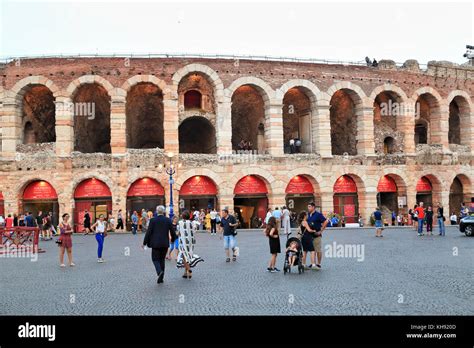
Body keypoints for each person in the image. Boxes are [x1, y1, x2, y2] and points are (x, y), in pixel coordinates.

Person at [143, 205, 177, 284]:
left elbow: (149, 232)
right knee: (162, 260)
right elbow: (173, 232)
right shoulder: (168, 220)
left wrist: (144, 242)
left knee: (155, 259)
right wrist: (172, 240)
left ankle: (159, 271)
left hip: (155, 243)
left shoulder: (153, 220)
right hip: (164, 243)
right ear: (164, 212)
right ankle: (161, 278)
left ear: (156, 211)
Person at [177, 211, 204, 279]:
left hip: (183, 242)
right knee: (188, 255)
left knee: (184, 256)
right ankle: (185, 273)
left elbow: (179, 232)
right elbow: (194, 230)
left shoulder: (180, 223)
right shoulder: (192, 223)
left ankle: (189, 269)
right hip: (190, 241)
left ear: (182, 216)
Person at [307, 202, 328, 270]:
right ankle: (313, 263)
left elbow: (325, 221)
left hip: (317, 235)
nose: (308, 208)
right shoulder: (308, 215)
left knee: (318, 250)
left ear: (313, 207)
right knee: (312, 250)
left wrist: (321, 230)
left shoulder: (318, 215)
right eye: (308, 207)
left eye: (309, 206)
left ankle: (318, 264)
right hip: (309, 235)